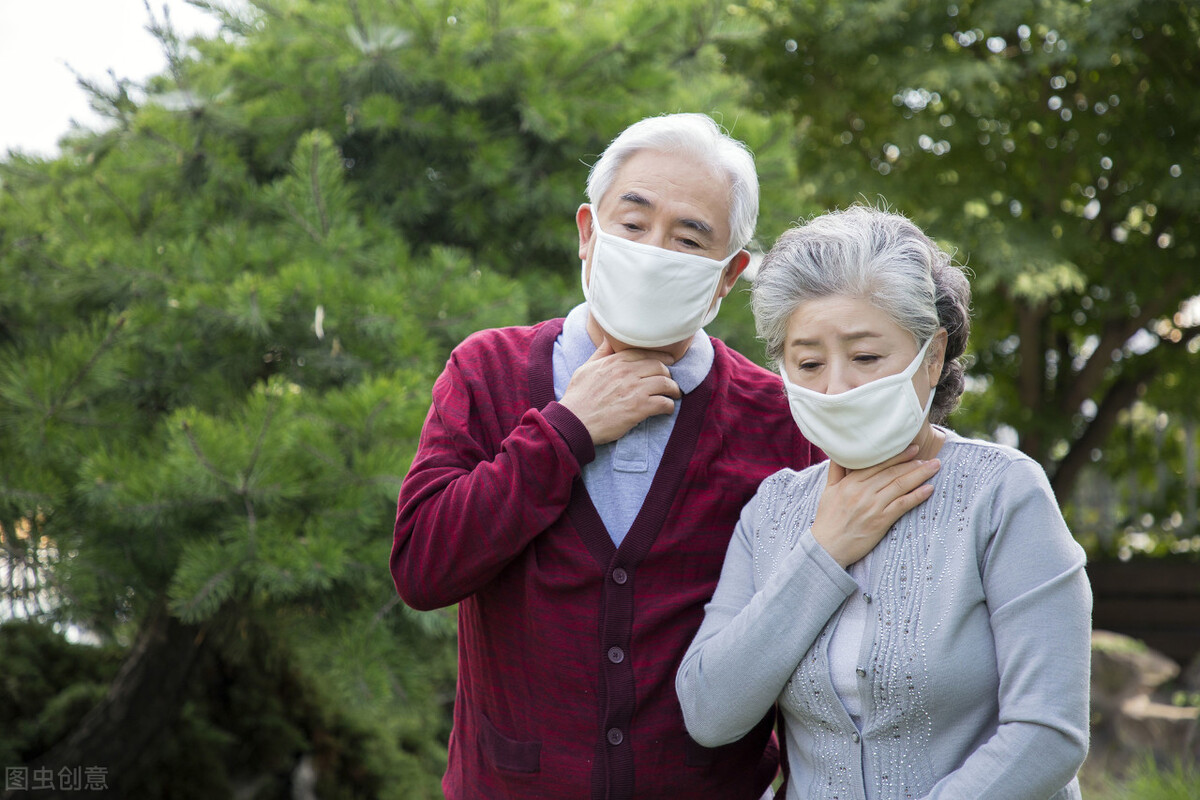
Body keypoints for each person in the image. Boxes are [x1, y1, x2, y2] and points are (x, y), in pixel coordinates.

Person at [390, 113, 821, 799]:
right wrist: (565, 431)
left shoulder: (778, 419)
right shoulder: (487, 370)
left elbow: (807, 638)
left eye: (689, 239)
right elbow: (423, 568)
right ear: (588, 233)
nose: (654, 251)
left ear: (728, 275)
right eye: (633, 223)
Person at [676, 204, 1093, 800]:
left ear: (933, 356)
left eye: (866, 357)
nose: (836, 387)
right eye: (809, 363)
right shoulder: (771, 512)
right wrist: (822, 552)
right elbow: (709, 712)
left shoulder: (1003, 494)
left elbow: (1047, 733)